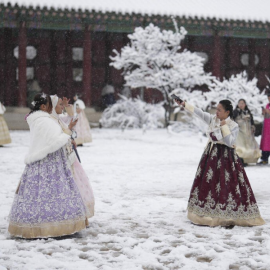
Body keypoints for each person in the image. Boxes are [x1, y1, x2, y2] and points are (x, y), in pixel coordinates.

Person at [175, 97, 265, 227]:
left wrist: (224, 127)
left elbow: (230, 142)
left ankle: (228, 213)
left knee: (227, 183)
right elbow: (199, 112)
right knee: (209, 183)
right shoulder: (213, 119)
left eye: (219, 110)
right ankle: (206, 212)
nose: (216, 112)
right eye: (216, 109)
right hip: (211, 155)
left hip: (227, 158)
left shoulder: (233, 125)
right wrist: (184, 104)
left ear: (227, 112)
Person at [8, 93, 88, 238]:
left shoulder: (42, 118)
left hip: (47, 160)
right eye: (51, 105)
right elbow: (53, 141)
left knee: (44, 193)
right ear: (43, 106)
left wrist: (67, 129)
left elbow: (55, 133)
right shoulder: (43, 120)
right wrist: (67, 133)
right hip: (49, 161)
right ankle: (50, 225)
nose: (52, 107)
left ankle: (45, 224)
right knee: (50, 191)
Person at [50, 94, 95, 219]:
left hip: (66, 154)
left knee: (73, 181)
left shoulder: (58, 118)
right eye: (60, 104)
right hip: (57, 157)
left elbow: (71, 120)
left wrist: (67, 107)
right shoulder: (50, 120)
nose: (62, 107)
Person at [233, 99, 261, 165]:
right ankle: (240, 160)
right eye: (240, 103)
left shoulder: (248, 112)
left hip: (247, 131)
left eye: (242, 103)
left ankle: (247, 160)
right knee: (240, 146)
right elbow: (232, 121)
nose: (241, 105)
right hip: (239, 131)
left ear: (245, 104)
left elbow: (252, 121)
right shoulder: (235, 112)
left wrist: (252, 127)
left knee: (249, 146)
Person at [258, 94, 270, 165]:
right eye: (269, 98)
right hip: (267, 127)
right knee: (266, 143)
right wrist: (264, 112)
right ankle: (264, 159)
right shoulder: (267, 105)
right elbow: (267, 116)